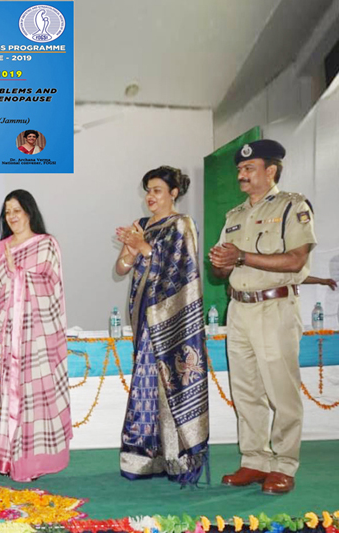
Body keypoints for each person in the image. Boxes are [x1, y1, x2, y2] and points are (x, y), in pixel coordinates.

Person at [209, 139, 317, 495]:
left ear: (270, 171)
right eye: (239, 169)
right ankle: (254, 460)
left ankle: (284, 465)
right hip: (238, 308)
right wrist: (222, 264)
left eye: (248, 168)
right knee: (246, 391)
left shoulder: (292, 206)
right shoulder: (234, 216)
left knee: (281, 391)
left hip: (275, 307)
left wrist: (241, 257)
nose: (241, 174)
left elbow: (296, 260)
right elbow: (226, 268)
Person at [114, 166, 209, 485]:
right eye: (148, 190)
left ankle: (179, 457)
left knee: (173, 382)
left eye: (156, 190)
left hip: (171, 320)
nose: (150, 196)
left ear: (174, 193)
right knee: (146, 385)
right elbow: (122, 269)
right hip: (144, 319)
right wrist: (129, 252)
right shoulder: (141, 225)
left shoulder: (182, 224)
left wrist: (142, 249)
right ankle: (145, 457)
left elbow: (180, 270)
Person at [0, 189, 71, 481]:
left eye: (17, 210)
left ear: (29, 211)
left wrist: (15, 269)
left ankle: (34, 462)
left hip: (38, 335)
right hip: (9, 333)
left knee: (35, 395)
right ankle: (11, 459)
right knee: (12, 393)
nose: (12, 216)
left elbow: (50, 284)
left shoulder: (45, 244)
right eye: (7, 212)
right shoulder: (0, 246)